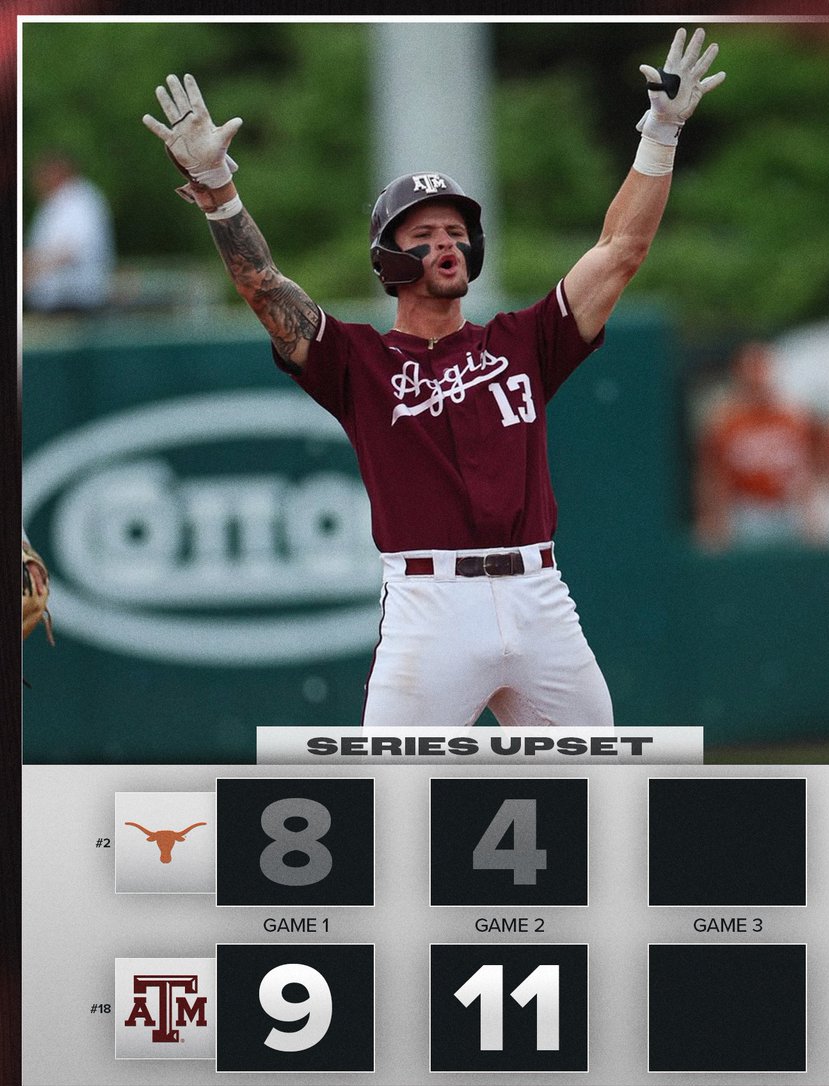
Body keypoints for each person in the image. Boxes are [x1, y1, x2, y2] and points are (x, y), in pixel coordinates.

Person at [144, 28, 724, 726]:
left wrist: (659, 134)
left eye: (455, 232)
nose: (446, 243)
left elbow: (621, 250)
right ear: (388, 259)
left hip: (541, 597)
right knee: (387, 809)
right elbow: (264, 287)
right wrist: (217, 189)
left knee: (602, 798)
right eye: (423, 236)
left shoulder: (524, 340)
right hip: (431, 607)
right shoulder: (357, 361)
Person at [695, 341, 818, 550]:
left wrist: (810, 513)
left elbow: (805, 468)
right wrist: (714, 516)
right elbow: (712, 474)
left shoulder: (793, 418)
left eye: (762, 369)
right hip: (744, 512)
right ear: (740, 374)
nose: (758, 377)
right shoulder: (725, 421)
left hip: (787, 509)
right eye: (751, 370)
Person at [23, 150, 115, 314]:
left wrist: (28, 272)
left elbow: (72, 250)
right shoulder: (56, 201)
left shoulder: (80, 199)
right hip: (55, 303)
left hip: (73, 304)